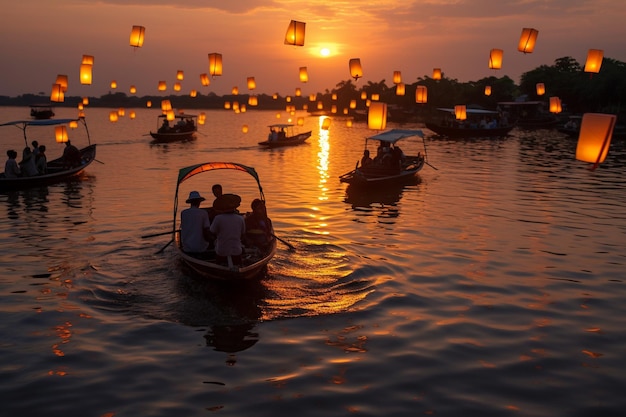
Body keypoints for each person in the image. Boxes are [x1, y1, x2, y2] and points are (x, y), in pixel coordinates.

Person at [210, 193, 245, 267]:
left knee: (215, 243)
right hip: (237, 251)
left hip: (222, 252)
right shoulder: (240, 218)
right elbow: (243, 233)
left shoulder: (218, 218)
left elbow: (212, 231)